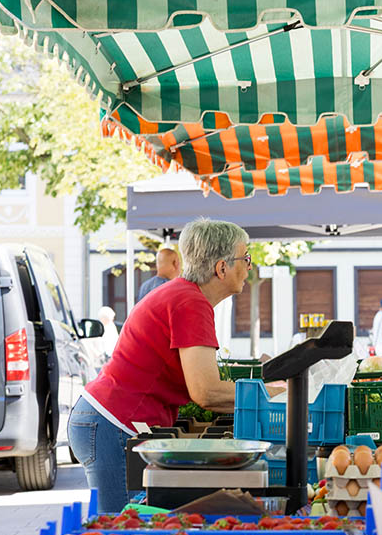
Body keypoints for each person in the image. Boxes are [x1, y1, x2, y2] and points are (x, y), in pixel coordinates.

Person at [68, 218, 254, 513]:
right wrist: (268, 395)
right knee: (120, 531)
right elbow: (205, 392)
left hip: (110, 420)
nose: (249, 266)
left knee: (129, 525)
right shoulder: (189, 303)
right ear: (222, 268)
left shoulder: (183, 295)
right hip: (113, 423)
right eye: (246, 258)